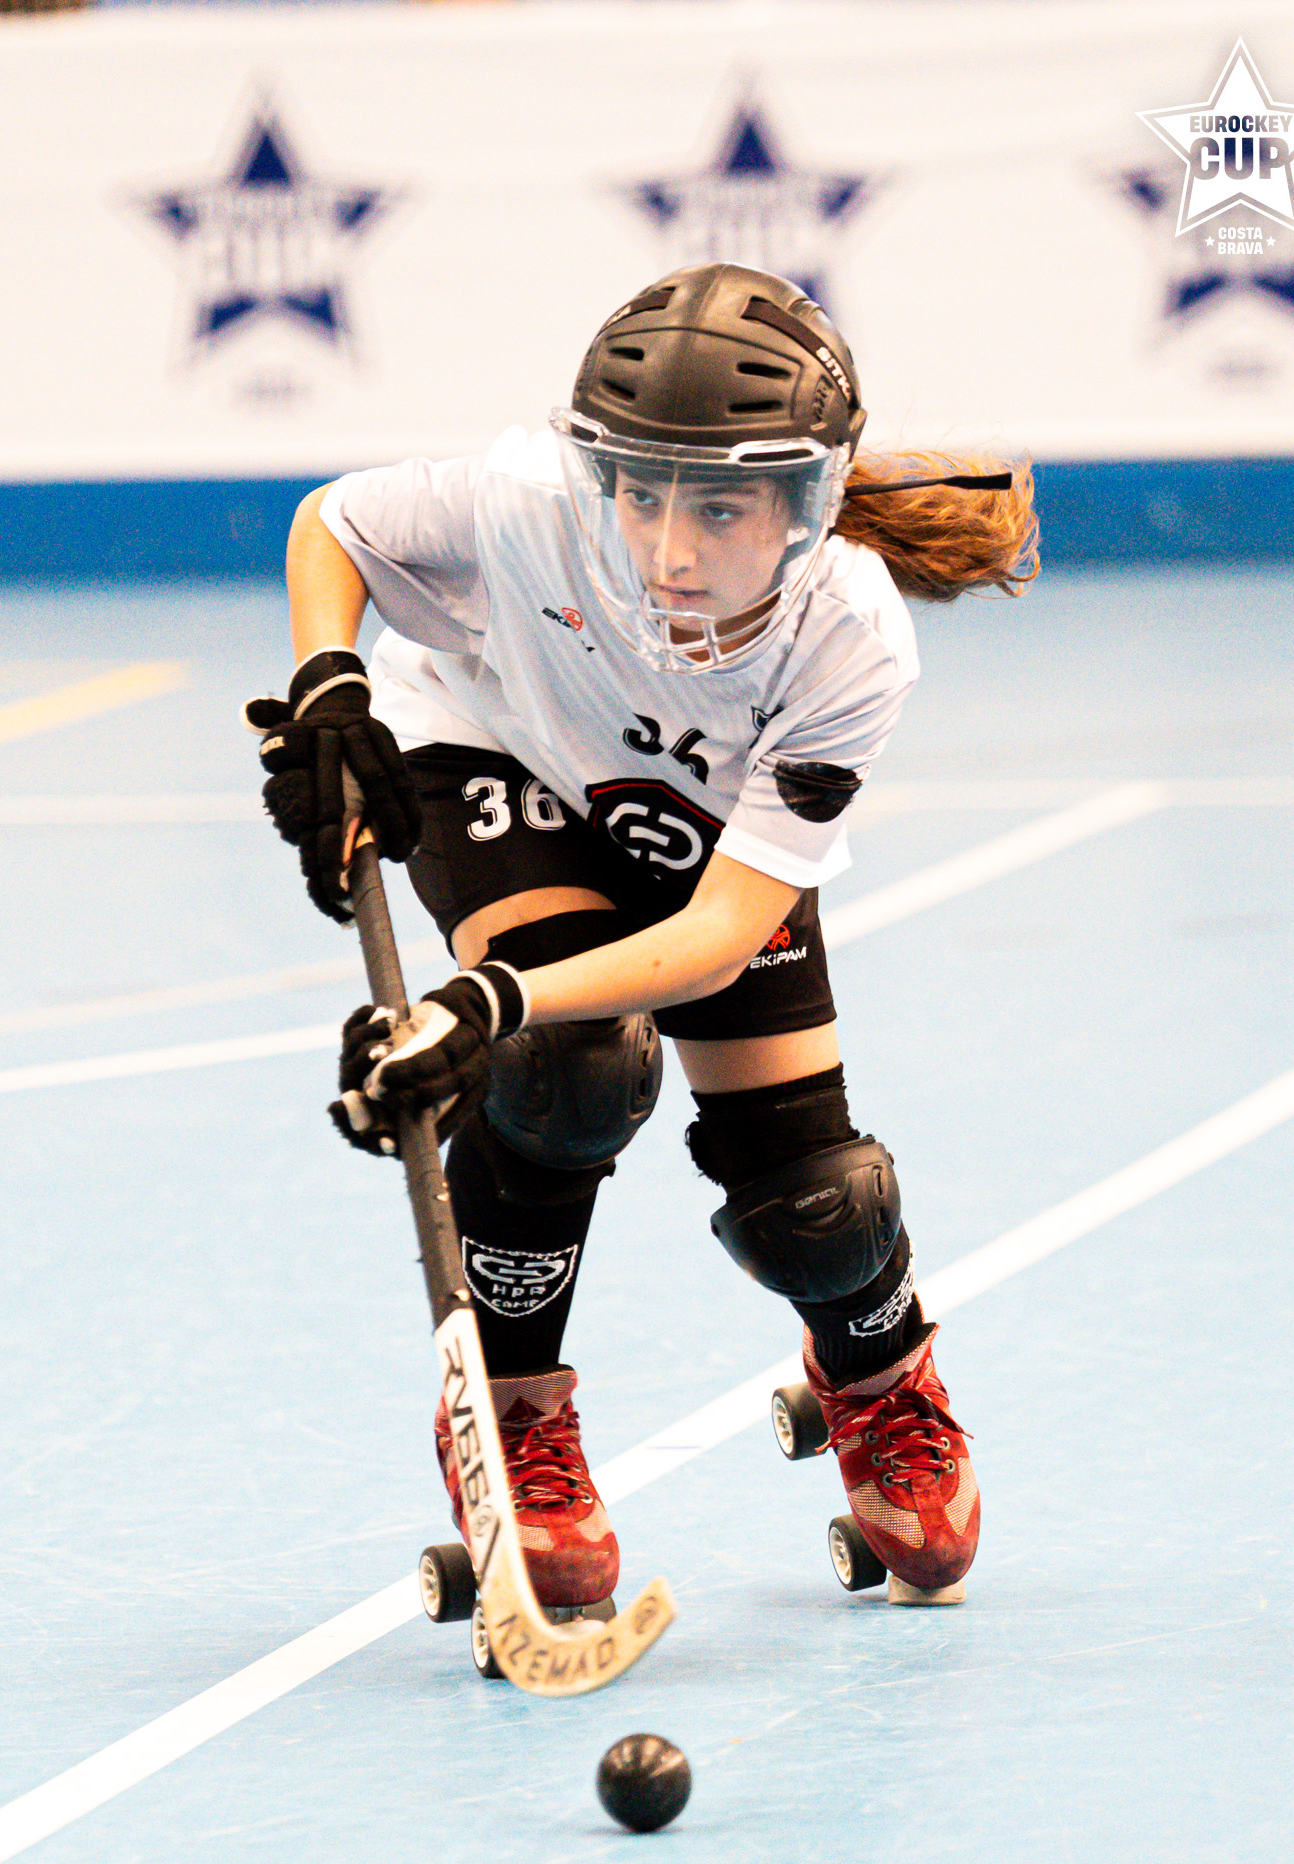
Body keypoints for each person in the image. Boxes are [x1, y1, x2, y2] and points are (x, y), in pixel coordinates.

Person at [247, 263, 1038, 1612]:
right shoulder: (527, 500)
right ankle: (512, 1414)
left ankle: (881, 1373)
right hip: (493, 753)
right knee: (571, 1067)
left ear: (805, 505)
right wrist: (330, 683)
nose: (668, 551)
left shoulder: (848, 640)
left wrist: (481, 1004)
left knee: (819, 1200)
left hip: (694, 828)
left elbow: (720, 934)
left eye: (718, 507)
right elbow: (339, 523)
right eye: (640, 494)